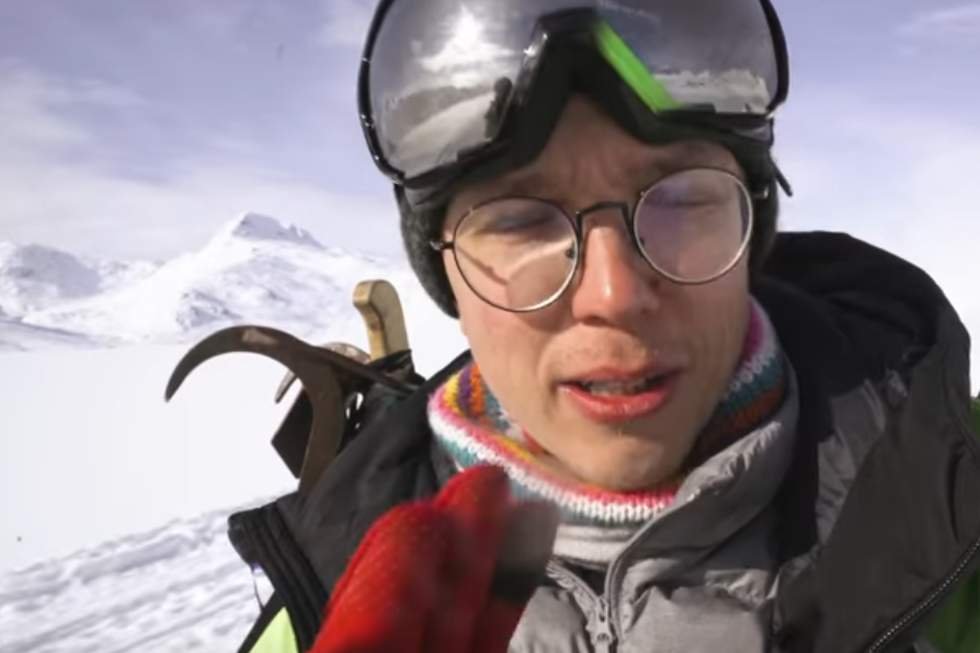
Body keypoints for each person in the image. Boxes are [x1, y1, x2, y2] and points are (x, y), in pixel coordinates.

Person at [232, 1, 980, 652]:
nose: (614, 295)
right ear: (443, 270)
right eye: (519, 221)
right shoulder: (325, 611)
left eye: (681, 199)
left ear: (750, 225)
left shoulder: (957, 506)